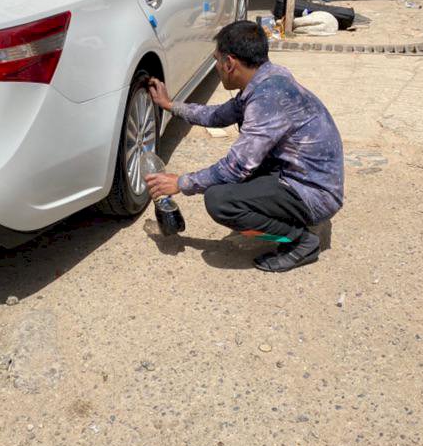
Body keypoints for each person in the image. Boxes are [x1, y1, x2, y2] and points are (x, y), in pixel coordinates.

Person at [145, 20, 344, 272]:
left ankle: (297, 241)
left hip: (313, 193)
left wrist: (180, 183)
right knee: (231, 183)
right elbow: (216, 116)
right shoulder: (267, 78)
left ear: (229, 63)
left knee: (220, 202)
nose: (217, 67)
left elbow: (235, 168)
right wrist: (171, 105)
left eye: (217, 60)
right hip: (305, 177)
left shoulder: (267, 99)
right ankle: (287, 224)